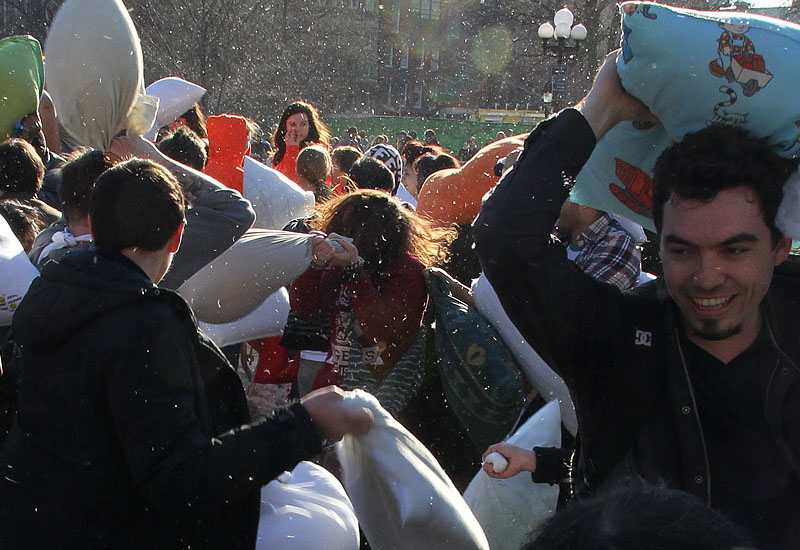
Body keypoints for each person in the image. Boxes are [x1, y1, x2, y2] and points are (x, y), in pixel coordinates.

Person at [474, 51, 800, 549]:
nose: (707, 277)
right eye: (683, 250)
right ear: (657, 244)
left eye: (734, 250)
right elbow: (504, 238)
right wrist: (601, 108)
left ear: (779, 247)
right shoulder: (618, 337)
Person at [0, 158, 372, 548]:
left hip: (32, 524)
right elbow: (181, 478)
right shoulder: (143, 325)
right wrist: (303, 424)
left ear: (92, 226)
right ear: (178, 236)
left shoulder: (44, 296)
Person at [289, 190, 451, 413]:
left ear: (377, 233)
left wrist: (357, 273)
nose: (343, 235)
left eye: (351, 229)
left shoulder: (406, 270)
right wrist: (315, 265)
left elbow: (382, 332)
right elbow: (305, 308)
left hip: (387, 391)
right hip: (336, 384)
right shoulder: (341, 266)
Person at [271, 101, 331, 183]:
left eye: (303, 124)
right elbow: (281, 182)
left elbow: (296, 183)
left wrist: (292, 149)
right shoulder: (281, 153)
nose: (298, 129)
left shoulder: (318, 151)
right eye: (292, 124)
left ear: (310, 126)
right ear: (285, 126)